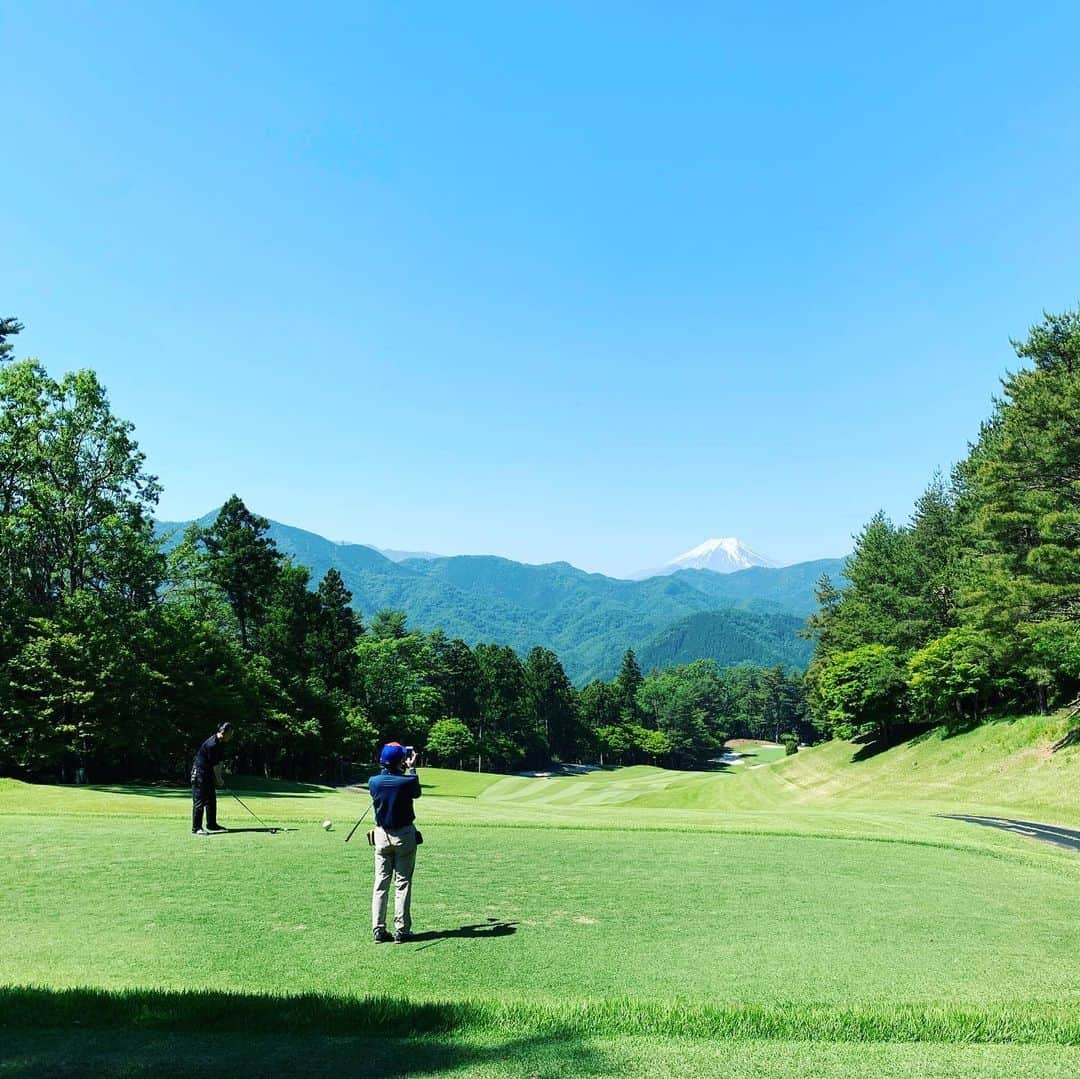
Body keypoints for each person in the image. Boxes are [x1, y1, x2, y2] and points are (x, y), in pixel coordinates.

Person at [369, 742, 421, 943]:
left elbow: (385, 780)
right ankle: (402, 929)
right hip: (404, 836)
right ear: (401, 761)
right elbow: (416, 791)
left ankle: (378, 930)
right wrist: (412, 767)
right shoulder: (406, 782)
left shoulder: (373, 782)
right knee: (402, 883)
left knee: (381, 883)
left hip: (381, 836)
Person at [191, 722, 234, 835]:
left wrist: (218, 778)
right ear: (224, 733)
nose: (231, 736)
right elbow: (215, 766)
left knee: (211, 800)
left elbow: (219, 762)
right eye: (231, 734)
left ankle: (212, 824)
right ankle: (196, 828)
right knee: (199, 802)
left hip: (208, 774)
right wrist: (219, 779)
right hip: (199, 774)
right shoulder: (212, 744)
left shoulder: (221, 742)